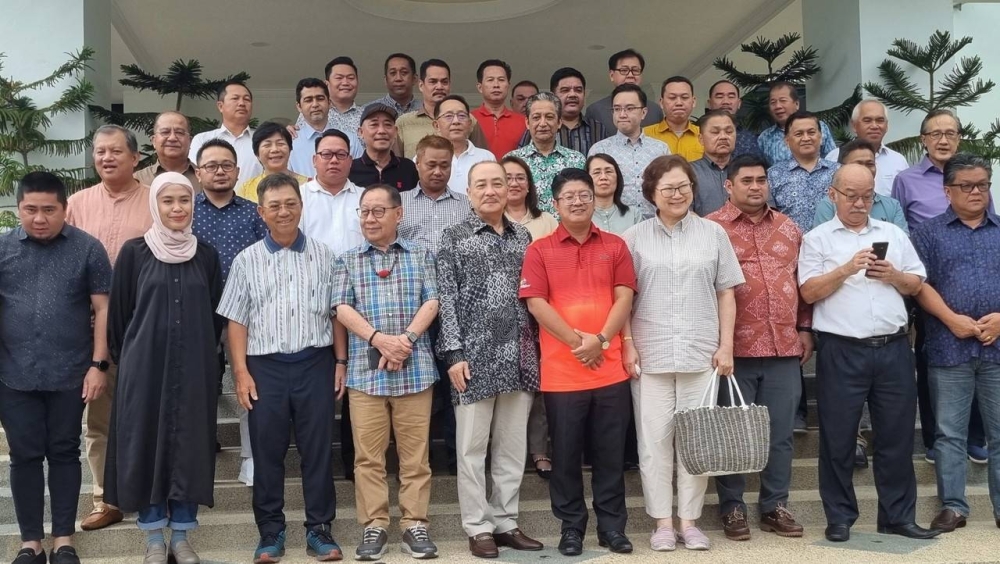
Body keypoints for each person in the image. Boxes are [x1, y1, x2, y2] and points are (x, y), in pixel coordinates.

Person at [799, 164, 939, 543]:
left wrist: (893, 275)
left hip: (893, 348)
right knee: (838, 438)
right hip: (842, 350)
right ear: (833, 195)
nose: (860, 203)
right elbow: (809, 292)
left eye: (867, 196)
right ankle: (840, 517)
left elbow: (916, 283)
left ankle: (897, 517)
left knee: (895, 438)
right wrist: (847, 268)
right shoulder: (817, 239)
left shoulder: (892, 233)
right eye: (851, 195)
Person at [216, 173, 346, 564]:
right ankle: (270, 533)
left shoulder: (325, 255)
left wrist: (340, 361)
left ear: (301, 207)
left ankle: (319, 530)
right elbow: (236, 321)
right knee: (267, 453)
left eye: (290, 203)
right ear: (262, 212)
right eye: (274, 205)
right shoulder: (247, 260)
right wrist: (240, 372)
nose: (284, 211)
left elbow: (337, 313)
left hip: (316, 363)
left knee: (318, 451)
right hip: (265, 367)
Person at [621, 155, 744, 552]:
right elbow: (623, 298)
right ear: (651, 195)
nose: (677, 194)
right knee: (653, 443)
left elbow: (726, 291)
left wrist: (726, 345)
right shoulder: (634, 237)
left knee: (697, 442)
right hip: (650, 354)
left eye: (684, 187)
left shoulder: (713, 234)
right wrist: (627, 344)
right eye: (668, 189)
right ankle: (661, 522)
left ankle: (689, 522)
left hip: (701, 354)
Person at [104, 173, 223, 564]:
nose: (176, 208)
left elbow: (214, 315)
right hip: (145, 370)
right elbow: (119, 318)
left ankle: (182, 537)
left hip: (193, 369)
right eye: (168, 201)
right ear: (155, 204)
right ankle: (154, 537)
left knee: (189, 448)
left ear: (193, 205)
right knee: (146, 446)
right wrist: (136, 359)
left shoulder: (205, 254)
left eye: (184, 201)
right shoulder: (134, 253)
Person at [519, 168, 637, 557]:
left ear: (594, 198)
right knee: (565, 458)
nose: (577, 201)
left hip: (610, 369)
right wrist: (578, 342)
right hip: (562, 374)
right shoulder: (540, 250)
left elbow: (624, 298)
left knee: (609, 454)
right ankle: (571, 528)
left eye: (584, 194)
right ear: (556, 204)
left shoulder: (616, 245)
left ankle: (611, 528)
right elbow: (537, 304)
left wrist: (601, 340)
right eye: (569, 196)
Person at [0, 172, 113, 564]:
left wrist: (99, 364)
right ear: (18, 209)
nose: (40, 218)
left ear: (65, 209)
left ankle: (63, 538)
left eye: (49, 210)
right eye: (30, 209)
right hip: (12, 374)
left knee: (65, 452)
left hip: (72, 373)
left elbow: (103, 309)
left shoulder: (87, 248)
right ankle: (30, 542)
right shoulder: (2, 248)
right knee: (24, 455)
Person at [437, 161, 544, 558]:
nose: (491, 190)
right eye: (481, 184)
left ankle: (505, 521)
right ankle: (478, 526)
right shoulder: (452, 237)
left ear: (509, 189)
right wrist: (453, 354)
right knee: (471, 448)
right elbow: (445, 299)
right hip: (473, 359)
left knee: (512, 446)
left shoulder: (523, 236)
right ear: (469, 192)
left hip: (518, 355)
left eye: (497, 183)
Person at [332, 184, 441, 561]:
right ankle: (374, 525)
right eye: (364, 211)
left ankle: (415, 524)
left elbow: (433, 299)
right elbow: (341, 308)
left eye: (379, 211)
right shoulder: (346, 259)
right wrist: (380, 340)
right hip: (366, 375)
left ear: (399, 214)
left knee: (415, 457)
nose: (370, 218)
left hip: (415, 371)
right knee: (368, 458)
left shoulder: (422, 254)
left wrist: (404, 341)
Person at [707, 155, 811, 542]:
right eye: (746, 180)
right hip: (732, 350)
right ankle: (732, 506)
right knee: (732, 432)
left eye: (761, 180)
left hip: (784, 345)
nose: (756, 186)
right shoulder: (710, 228)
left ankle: (774, 505)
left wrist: (805, 328)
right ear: (728, 186)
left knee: (780, 432)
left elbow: (803, 281)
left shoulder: (788, 227)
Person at [66, 125, 153, 532]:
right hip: (89, 329)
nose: (107, 158)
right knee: (98, 420)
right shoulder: (76, 204)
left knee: (144, 414)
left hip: (142, 328)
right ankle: (106, 498)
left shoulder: (155, 201)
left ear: (135, 158)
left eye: (116, 151)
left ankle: (148, 493)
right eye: (100, 151)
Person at [892, 109, 991, 464]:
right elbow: (897, 228)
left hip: (976, 276)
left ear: (960, 137)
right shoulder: (906, 180)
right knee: (931, 360)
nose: (943, 139)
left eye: (950, 132)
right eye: (936, 134)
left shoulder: (975, 175)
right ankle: (935, 437)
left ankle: (976, 436)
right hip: (930, 280)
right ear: (924, 140)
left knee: (984, 359)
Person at [911, 154, 1000, 533]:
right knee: (949, 434)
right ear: (948, 191)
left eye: (983, 184)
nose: (976, 192)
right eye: (967, 186)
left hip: (997, 349)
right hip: (949, 349)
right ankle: (953, 507)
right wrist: (951, 320)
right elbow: (918, 285)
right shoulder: (928, 233)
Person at [192, 138, 268, 487]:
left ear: (238, 171)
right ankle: (200, 451)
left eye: (226, 165)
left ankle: (251, 458)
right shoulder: (186, 210)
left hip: (247, 314)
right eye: (211, 165)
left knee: (246, 383)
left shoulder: (254, 211)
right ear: (198, 172)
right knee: (202, 385)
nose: (219, 171)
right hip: (197, 314)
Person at [500, 156, 558, 476]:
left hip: (540, 310)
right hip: (502, 314)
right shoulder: (492, 219)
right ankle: (506, 450)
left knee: (538, 383)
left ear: (529, 183)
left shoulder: (546, 221)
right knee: (506, 381)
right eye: (507, 177)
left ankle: (538, 449)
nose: (514, 183)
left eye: (520, 177)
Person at [588, 83, 671, 217]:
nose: (622, 114)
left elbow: (669, 186)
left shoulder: (660, 149)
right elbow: (591, 191)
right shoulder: (600, 150)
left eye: (629, 108)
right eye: (617, 109)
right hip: (616, 225)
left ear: (643, 112)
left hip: (655, 224)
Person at [505, 92, 586, 215]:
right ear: (527, 122)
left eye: (549, 117)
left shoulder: (576, 160)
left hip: (568, 231)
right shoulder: (512, 160)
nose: (543, 123)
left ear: (559, 122)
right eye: (536, 117)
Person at [393, 59, 487, 159]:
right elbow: (395, 165)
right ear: (421, 85)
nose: (439, 87)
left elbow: (482, 160)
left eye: (444, 82)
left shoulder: (468, 119)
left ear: (449, 85)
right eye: (433, 82)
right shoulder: (404, 123)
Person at [767, 111, 840, 232]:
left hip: (832, 246)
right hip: (791, 247)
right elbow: (768, 218)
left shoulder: (839, 172)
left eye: (811, 132)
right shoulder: (773, 175)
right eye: (799, 134)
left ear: (821, 137)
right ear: (787, 140)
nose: (806, 138)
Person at [813, 139, 908, 232]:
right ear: (841, 167)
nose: (864, 169)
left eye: (870, 164)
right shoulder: (829, 204)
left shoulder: (892, 206)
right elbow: (823, 241)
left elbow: (902, 243)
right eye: (858, 164)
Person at [301, 129, 365, 255]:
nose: (334, 160)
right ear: (314, 160)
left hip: (357, 272)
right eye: (326, 154)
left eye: (341, 154)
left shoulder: (365, 198)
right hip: (314, 272)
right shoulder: (299, 198)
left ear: (350, 161)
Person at [825, 100, 908, 196]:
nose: (874, 126)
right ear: (854, 125)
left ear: (887, 125)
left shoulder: (898, 161)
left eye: (880, 120)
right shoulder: (834, 157)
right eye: (867, 121)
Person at [517, 68, 608, 155]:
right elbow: (522, 161)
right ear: (553, 96)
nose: (572, 94)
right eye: (565, 90)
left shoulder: (597, 128)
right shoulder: (538, 127)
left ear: (584, 95)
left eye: (578, 90)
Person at [189, 81, 262, 186]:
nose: (241, 103)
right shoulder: (202, 139)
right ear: (220, 106)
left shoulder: (263, 140)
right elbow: (195, 177)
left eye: (246, 99)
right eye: (235, 98)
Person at [289, 78, 363, 177]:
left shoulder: (351, 140)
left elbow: (361, 177)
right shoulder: (290, 143)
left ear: (329, 103)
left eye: (320, 98)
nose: (315, 104)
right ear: (299, 107)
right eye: (308, 100)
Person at [757, 82, 836, 166]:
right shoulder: (765, 137)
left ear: (797, 104)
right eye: (773, 102)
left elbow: (832, 159)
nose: (778, 106)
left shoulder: (818, 127)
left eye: (783, 101)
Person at [585, 48, 663, 133]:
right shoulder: (596, 110)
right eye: (624, 70)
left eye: (635, 70)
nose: (630, 75)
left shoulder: (655, 110)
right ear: (611, 75)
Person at [433, 94, 495, 193]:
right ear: (436, 125)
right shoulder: (425, 158)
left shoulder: (486, 157)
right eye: (448, 116)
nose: (456, 121)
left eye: (462, 116)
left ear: (469, 124)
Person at [349, 103, 419, 191]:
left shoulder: (409, 168)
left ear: (395, 132)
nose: (382, 131)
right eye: (374, 125)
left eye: (388, 125)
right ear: (361, 132)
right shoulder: (350, 169)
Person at [237, 121, 309, 203]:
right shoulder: (245, 190)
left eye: (280, 144)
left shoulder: (308, 186)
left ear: (290, 149)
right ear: (257, 154)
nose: (275, 149)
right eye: (267, 145)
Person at [294, 57, 363, 137]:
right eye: (339, 78)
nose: (345, 83)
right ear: (326, 84)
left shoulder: (366, 115)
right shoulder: (312, 112)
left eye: (351, 78)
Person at [471, 59, 525, 159]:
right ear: (479, 87)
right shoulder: (469, 119)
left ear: (508, 86)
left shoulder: (523, 122)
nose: (496, 85)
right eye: (490, 80)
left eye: (501, 80)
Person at [643, 76, 703, 161]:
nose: (679, 103)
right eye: (672, 98)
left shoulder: (704, 136)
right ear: (661, 102)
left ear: (693, 102)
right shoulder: (645, 135)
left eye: (684, 97)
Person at [134, 111, 200, 190]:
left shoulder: (205, 177)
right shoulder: (138, 180)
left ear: (190, 140)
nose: (172, 138)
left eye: (179, 132)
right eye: (165, 132)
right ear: (153, 141)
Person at [691, 110, 738, 216]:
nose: (723, 136)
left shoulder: (748, 171)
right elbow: (683, 212)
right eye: (715, 132)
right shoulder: (688, 172)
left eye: (729, 132)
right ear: (701, 139)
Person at [586, 153, 643, 234]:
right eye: (596, 172)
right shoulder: (580, 215)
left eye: (608, 171)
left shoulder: (633, 215)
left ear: (618, 177)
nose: (603, 177)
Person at [705, 80, 761, 158]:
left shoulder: (751, 139)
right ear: (709, 103)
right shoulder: (698, 135)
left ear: (739, 103)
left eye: (731, 97)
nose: (726, 102)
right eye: (719, 97)